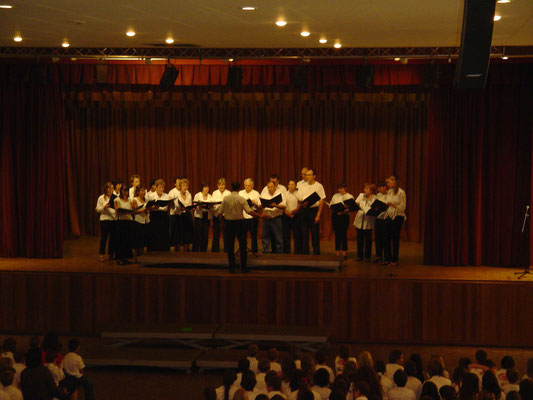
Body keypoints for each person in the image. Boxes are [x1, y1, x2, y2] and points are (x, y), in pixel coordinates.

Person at [220, 181, 259, 273]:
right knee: (242, 245)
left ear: (231, 187)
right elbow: (249, 211)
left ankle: (231, 267)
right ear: (238, 188)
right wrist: (259, 215)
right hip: (239, 223)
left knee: (230, 245)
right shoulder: (241, 199)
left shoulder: (226, 198)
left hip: (229, 223)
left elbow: (220, 213)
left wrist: (222, 223)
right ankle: (243, 267)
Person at [297, 168, 326, 255]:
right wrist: (302, 202)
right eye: (306, 175)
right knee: (304, 232)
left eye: (309, 175)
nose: (307, 177)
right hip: (304, 210)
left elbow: (321, 200)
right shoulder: (302, 185)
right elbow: (299, 197)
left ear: (314, 176)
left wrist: (318, 215)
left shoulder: (318, 186)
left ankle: (316, 252)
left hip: (314, 210)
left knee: (314, 233)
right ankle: (305, 252)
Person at [384, 176, 406, 266]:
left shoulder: (401, 192)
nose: (387, 185)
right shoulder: (389, 192)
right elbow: (387, 202)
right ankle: (387, 258)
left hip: (398, 216)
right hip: (389, 215)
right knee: (386, 238)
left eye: (389, 182)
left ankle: (394, 259)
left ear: (394, 182)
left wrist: (393, 205)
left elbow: (403, 207)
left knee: (395, 238)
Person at [261, 181, 286, 254]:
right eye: (268, 187)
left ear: (275, 187)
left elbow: (284, 206)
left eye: (271, 187)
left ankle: (280, 253)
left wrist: (275, 205)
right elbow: (261, 204)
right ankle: (265, 252)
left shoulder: (280, 194)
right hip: (266, 217)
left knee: (278, 237)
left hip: (276, 217)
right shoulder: (264, 194)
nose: (270, 189)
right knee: (265, 236)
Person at [329, 182, 354, 258]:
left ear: (345, 188)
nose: (339, 190)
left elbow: (352, 209)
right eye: (338, 188)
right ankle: (337, 250)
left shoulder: (349, 196)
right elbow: (331, 205)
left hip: (344, 217)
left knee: (343, 234)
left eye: (341, 188)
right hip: (336, 216)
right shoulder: (335, 196)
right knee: (337, 234)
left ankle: (344, 251)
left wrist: (343, 211)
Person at [354, 183, 377, 262]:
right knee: (359, 238)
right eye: (365, 188)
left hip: (369, 219)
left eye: (367, 189)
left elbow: (375, 208)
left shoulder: (374, 198)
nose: (365, 190)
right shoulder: (361, 195)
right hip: (360, 218)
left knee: (368, 239)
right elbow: (356, 203)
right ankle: (359, 255)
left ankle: (367, 256)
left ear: (371, 190)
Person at [147, 179, 171, 251]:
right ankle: (154, 250)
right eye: (160, 187)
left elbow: (166, 207)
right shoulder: (151, 195)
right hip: (154, 215)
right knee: (154, 233)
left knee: (163, 233)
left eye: (163, 187)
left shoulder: (166, 195)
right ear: (156, 188)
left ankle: (164, 250)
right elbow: (148, 207)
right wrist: (153, 207)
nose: (161, 189)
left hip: (163, 216)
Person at [95, 182, 117, 262]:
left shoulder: (115, 198)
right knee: (104, 237)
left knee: (113, 237)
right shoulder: (101, 198)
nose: (111, 190)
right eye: (110, 188)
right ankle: (102, 254)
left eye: (112, 188)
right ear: (106, 189)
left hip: (113, 219)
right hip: (104, 219)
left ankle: (111, 253)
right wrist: (104, 207)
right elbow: (97, 209)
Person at [239, 178, 261, 254]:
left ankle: (255, 252)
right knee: (242, 236)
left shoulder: (256, 193)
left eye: (249, 185)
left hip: (252, 217)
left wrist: (255, 203)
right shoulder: (240, 193)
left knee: (253, 236)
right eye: (246, 185)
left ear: (252, 185)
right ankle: (243, 251)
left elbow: (260, 206)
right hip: (243, 217)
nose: (247, 187)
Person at [114, 185, 134, 264]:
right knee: (120, 240)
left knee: (127, 240)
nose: (125, 192)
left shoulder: (129, 199)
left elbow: (132, 210)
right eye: (123, 191)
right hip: (121, 222)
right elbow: (117, 211)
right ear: (121, 191)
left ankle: (126, 258)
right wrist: (126, 211)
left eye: (126, 191)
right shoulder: (117, 199)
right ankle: (120, 258)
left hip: (128, 221)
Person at [282, 180, 302, 254]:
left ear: (296, 186)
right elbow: (283, 204)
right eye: (289, 184)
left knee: (297, 235)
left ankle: (297, 252)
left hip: (296, 216)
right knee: (286, 235)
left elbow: (300, 204)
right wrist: (287, 212)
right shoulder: (285, 194)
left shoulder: (298, 194)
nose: (290, 186)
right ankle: (286, 252)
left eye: (292, 184)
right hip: (286, 216)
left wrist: (293, 212)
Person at [212, 178, 231, 252]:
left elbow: (230, 204)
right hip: (217, 215)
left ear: (225, 185)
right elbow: (213, 204)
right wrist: (219, 205)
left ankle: (227, 249)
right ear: (217, 185)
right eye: (219, 185)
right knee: (216, 233)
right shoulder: (214, 193)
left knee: (226, 234)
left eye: (223, 184)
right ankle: (215, 250)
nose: (221, 186)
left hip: (225, 216)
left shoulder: (228, 193)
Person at [193, 183, 214, 252]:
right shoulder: (197, 195)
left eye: (207, 187)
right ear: (202, 188)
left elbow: (212, 206)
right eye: (205, 187)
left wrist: (211, 206)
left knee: (205, 235)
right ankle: (196, 250)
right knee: (198, 235)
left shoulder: (210, 196)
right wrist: (200, 206)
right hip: (199, 217)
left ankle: (203, 251)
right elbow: (194, 206)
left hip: (206, 217)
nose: (206, 189)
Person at [131, 186, 150, 262]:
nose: (143, 192)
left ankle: (142, 258)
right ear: (138, 192)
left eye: (144, 190)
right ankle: (135, 258)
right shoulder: (135, 200)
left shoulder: (145, 199)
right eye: (141, 190)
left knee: (143, 241)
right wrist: (142, 210)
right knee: (137, 241)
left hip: (145, 221)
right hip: (138, 221)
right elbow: (133, 211)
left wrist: (148, 210)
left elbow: (147, 209)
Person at [175, 178, 194, 252]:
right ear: (180, 187)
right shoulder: (177, 195)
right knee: (180, 234)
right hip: (180, 216)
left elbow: (190, 205)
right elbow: (176, 206)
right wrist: (181, 208)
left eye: (186, 186)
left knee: (187, 234)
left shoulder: (189, 194)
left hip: (188, 215)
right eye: (183, 185)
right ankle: (180, 251)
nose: (185, 187)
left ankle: (186, 250)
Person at [374, 181, 388, 263]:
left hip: (385, 218)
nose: (379, 190)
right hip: (378, 217)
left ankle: (386, 257)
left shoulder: (389, 195)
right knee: (377, 238)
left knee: (385, 238)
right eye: (378, 188)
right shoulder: (378, 195)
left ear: (385, 187)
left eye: (380, 188)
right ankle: (378, 256)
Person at [168, 177, 183, 251]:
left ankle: (179, 248)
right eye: (178, 182)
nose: (180, 184)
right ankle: (174, 249)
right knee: (174, 233)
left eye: (181, 182)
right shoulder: (172, 192)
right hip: (173, 214)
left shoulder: (183, 191)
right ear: (174, 184)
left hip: (181, 214)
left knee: (180, 232)